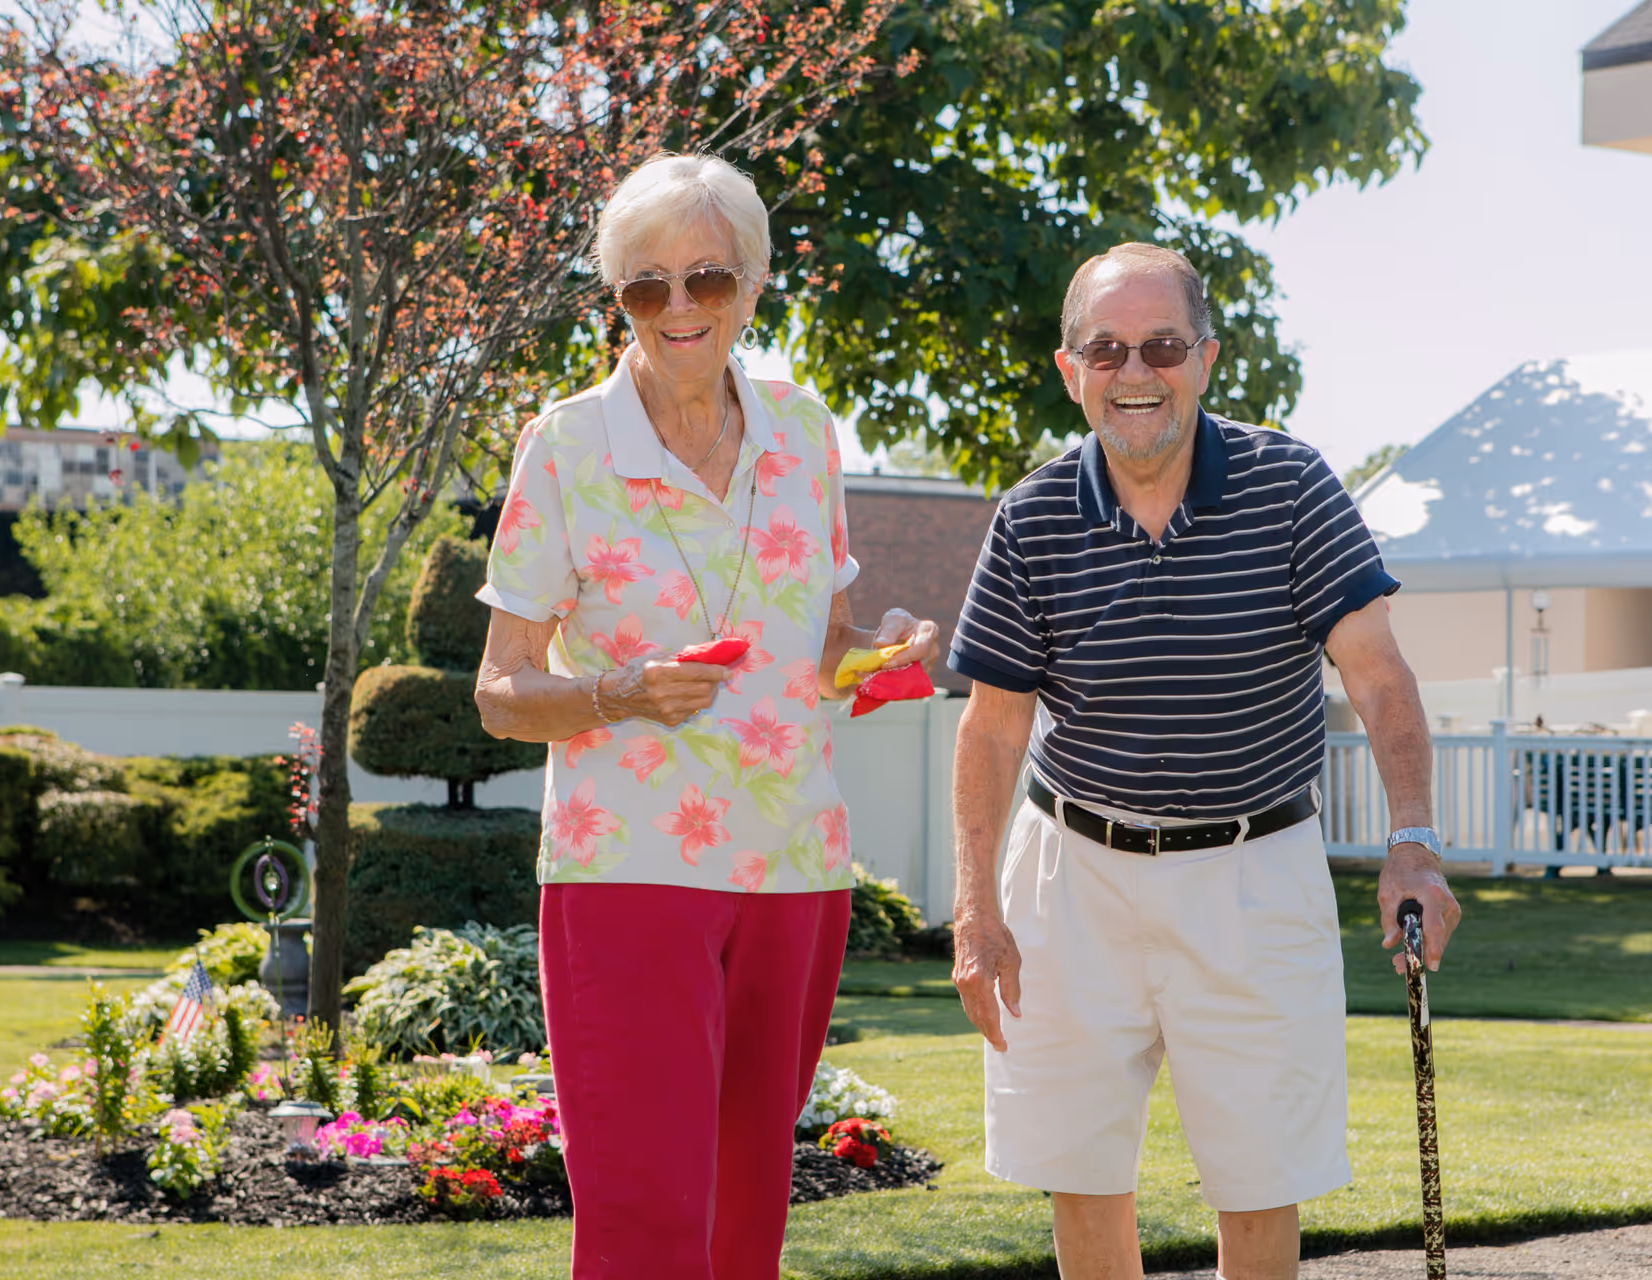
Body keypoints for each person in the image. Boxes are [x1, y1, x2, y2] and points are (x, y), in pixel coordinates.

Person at [945, 242, 1463, 1280]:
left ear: (1207, 357)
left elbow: (1378, 674)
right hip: (1072, 871)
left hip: (1254, 867)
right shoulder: (1032, 513)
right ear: (1070, 368)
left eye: (1162, 345)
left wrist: (1413, 842)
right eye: (1107, 348)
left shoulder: (1292, 484)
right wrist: (974, 903)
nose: (1135, 372)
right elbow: (995, 727)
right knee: (1083, 1167)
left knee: (1258, 1172)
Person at [472, 152, 939, 1280]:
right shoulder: (567, 444)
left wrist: (878, 658)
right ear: (618, 298)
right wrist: (614, 691)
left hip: (794, 865)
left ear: (754, 284)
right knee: (644, 1211)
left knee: (747, 1211)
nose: (678, 309)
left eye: (707, 280)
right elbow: (498, 691)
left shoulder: (804, 429)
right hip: (628, 866)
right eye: (646, 286)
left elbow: (822, 656)